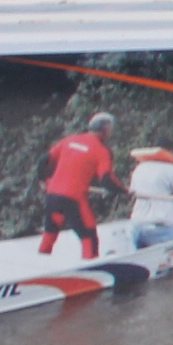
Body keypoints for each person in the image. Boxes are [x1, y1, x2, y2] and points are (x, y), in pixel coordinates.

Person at [38, 111, 122, 259]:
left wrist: (43, 180)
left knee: (50, 232)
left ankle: (40, 263)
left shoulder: (69, 140)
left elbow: (44, 161)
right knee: (88, 236)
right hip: (74, 198)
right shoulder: (102, 150)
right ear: (107, 129)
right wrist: (123, 190)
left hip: (52, 195)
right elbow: (107, 180)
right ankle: (92, 269)